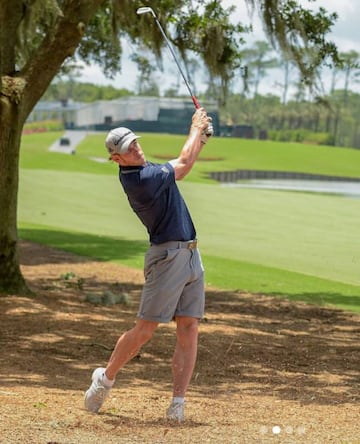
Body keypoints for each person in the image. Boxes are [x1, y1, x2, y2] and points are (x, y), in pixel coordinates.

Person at [84, 107, 213, 422]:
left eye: (136, 143)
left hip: (191, 254)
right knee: (145, 330)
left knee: (190, 327)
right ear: (117, 159)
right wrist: (196, 128)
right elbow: (182, 165)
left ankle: (177, 404)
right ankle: (105, 379)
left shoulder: (147, 167)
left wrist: (201, 139)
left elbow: (185, 161)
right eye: (129, 148)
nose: (137, 149)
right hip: (167, 257)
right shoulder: (140, 179)